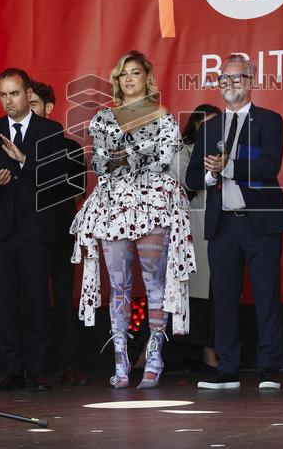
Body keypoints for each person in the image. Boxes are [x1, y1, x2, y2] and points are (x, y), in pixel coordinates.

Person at [71, 51, 196, 389]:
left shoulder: (163, 117)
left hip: (154, 203)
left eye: (135, 72)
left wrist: (126, 156)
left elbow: (163, 159)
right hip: (113, 206)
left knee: (155, 283)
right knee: (119, 286)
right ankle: (122, 362)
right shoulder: (103, 118)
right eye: (123, 73)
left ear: (147, 78)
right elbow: (97, 163)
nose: (128, 79)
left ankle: (154, 356)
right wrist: (118, 160)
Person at [186, 54, 283, 390]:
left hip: (261, 223)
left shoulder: (269, 121)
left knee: (266, 297)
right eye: (223, 79)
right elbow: (192, 178)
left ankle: (269, 370)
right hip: (223, 225)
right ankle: (227, 369)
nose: (229, 84)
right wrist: (210, 173)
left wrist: (228, 167)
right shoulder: (209, 128)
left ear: (251, 81)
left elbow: (269, 167)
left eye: (237, 78)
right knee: (224, 299)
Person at [0, 68, 67, 392]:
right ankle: (12, 369)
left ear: (27, 94)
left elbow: (57, 179)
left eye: (14, 93)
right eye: (3, 95)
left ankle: (38, 369)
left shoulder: (50, 129)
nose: (8, 101)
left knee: (38, 300)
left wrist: (24, 162)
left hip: (35, 231)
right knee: (6, 302)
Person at [28, 80, 88, 386]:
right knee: (30, 299)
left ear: (49, 108)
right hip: (26, 236)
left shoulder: (70, 147)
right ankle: (33, 365)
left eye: (34, 105)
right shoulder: (16, 144)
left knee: (64, 300)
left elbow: (77, 187)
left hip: (61, 234)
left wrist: (37, 173)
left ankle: (67, 362)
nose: (29, 112)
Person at [172, 104, 222, 370]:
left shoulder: (228, 153)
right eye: (206, 125)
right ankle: (199, 351)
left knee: (218, 294)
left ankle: (213, 350)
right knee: (195, 294)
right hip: (193, 232)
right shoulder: (183, 152)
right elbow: (183, 187)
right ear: (194, 127)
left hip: (223, 229)